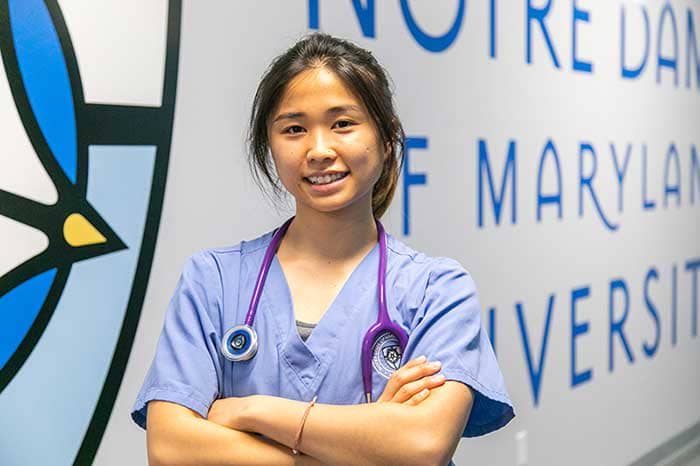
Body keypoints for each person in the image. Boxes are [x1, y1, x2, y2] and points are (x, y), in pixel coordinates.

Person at [131, 32, 515, 466]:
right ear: (269, 146)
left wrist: (253, 410)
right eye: (294, 129)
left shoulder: (436, 290)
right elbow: (170, 448)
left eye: (343, 124)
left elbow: (422, 445)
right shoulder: (214, 280)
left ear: (387, 138)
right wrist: (365, 441)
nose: (318, 150)